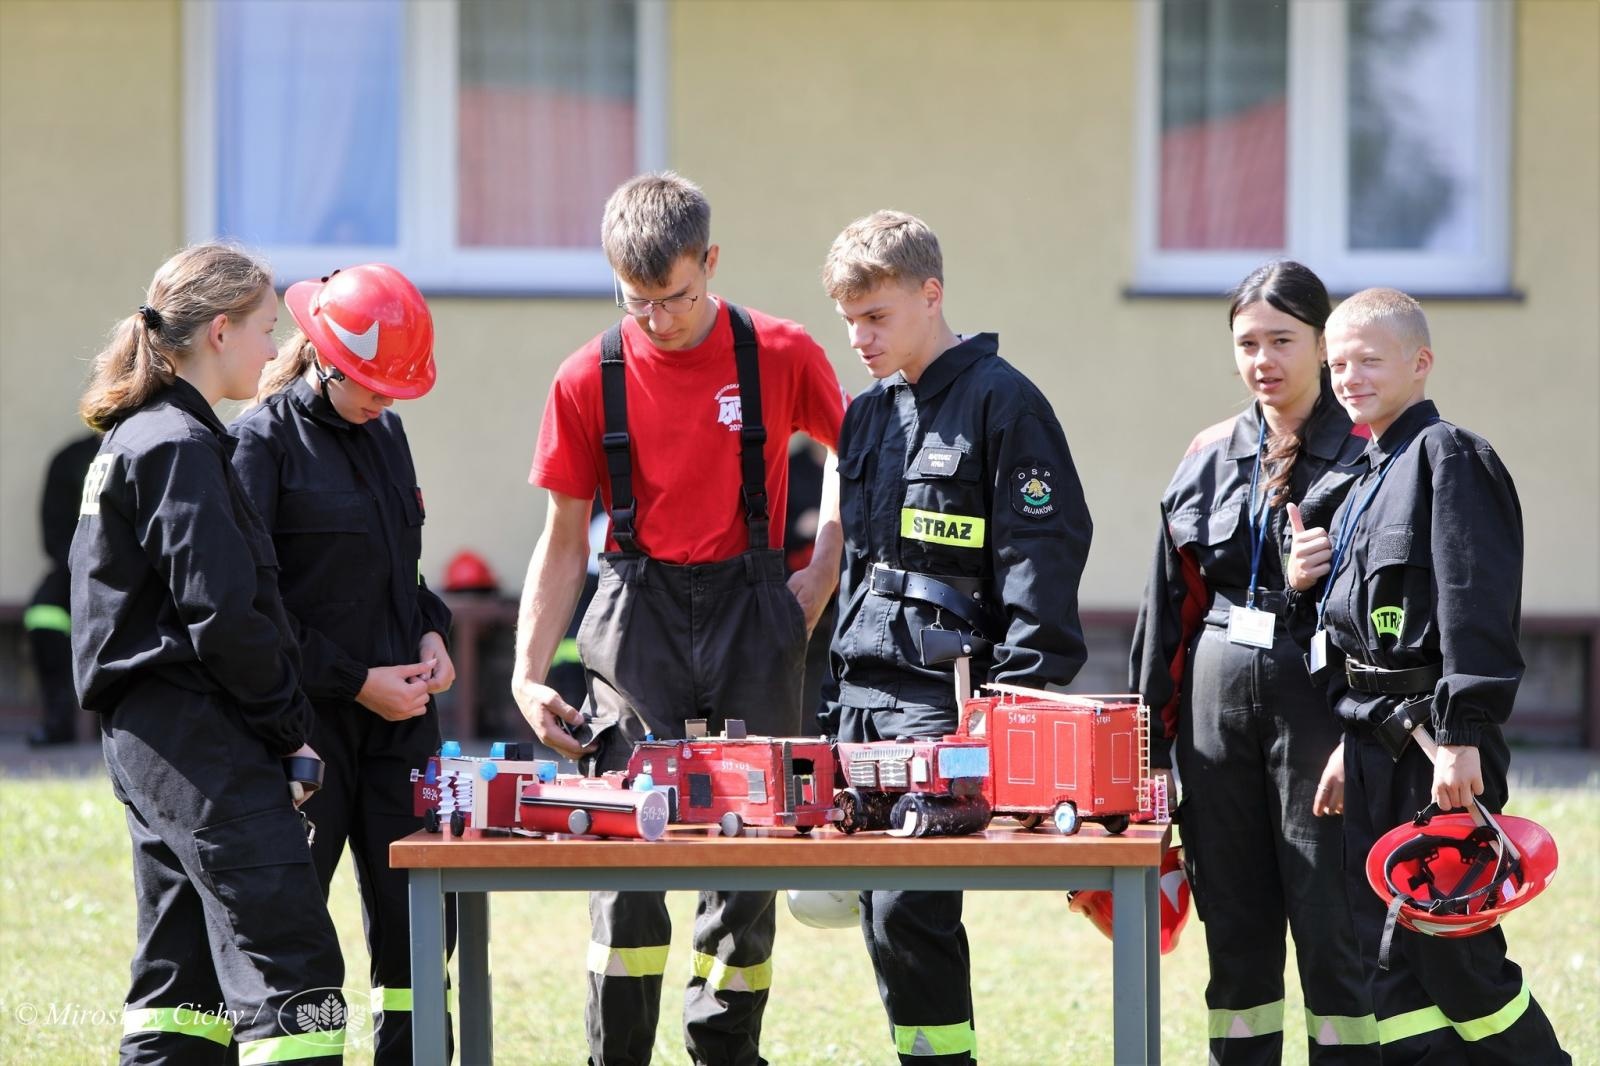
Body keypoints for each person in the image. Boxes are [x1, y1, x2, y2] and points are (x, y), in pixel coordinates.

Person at [511, 171, 847, 1066]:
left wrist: (822, 568)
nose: (659, 319)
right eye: (639, 301)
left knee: (748, 853)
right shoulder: (585, 377)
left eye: (678, 297)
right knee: (627, 849)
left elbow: (855, 452)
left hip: (754, 609)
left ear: (712, 262)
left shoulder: (781, 352)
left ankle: (725, 1050)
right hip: (635, 617)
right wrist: (528, 673)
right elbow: (563, 539)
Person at [821, 210, 1092, 1066]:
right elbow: (860, 566)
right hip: (863, 693)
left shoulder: (1003, 402)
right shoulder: (865, 415)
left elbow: (1041, 555)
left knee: (911, 905)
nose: (859, 338)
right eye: (849, 320)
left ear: (930, 294)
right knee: (876, 908)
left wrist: (1015, 702)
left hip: (945, 698)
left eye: (876, 316)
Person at [70, 243, 346, 1063]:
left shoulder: (144, 436)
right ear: (220, 331)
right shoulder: (180, 446)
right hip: (201, 738)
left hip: (157, 739)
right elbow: (224, 616)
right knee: (294, 968)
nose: (275, 348)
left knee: (183, 977)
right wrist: (288, 729)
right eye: (267, 328)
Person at [1286, 288, 1569, 1064]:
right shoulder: (1362, 478)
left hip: (1437, 750)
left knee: (1455, 950)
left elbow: (1475, 603)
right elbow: (1351, 634)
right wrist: (1350, 737)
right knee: (1388, 955)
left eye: (1369, 360)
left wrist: (1461, 734)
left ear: (1421, 363)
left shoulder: (1450, 458)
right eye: (1338, 364)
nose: (1350, 377)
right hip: (1372, 746)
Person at [1129, 260, 1378, 1063]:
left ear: (1323, 343)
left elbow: (1403, 606)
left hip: (1321, 709)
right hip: (1215, 705)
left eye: (1282, 340)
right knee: (1234, 932)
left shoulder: (1371, 451)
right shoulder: (1208, 453)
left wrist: (1327, 580)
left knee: (1334, 928)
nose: (1262, 360)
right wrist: (1146, 750)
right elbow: (1167, 609)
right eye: (1247, 344)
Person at [230, 263, 455, 1065]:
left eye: (397, 389)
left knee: (420, 924)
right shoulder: (259, 445)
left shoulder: (386, 434)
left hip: (402, 731)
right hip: (309, 731)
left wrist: (431, 634)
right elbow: (253, 606)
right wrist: (357, 682)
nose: (385, 402)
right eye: (372, 384)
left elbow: (401, 574)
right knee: (293, 924)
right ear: (325, 358)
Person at [24, 430, 99, 745]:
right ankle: (58, 719)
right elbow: (52, 531)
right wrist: (83, 566)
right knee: (43, 612)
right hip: (76, 569)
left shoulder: (145, 449)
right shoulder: (71, 459)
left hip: (134, 574)